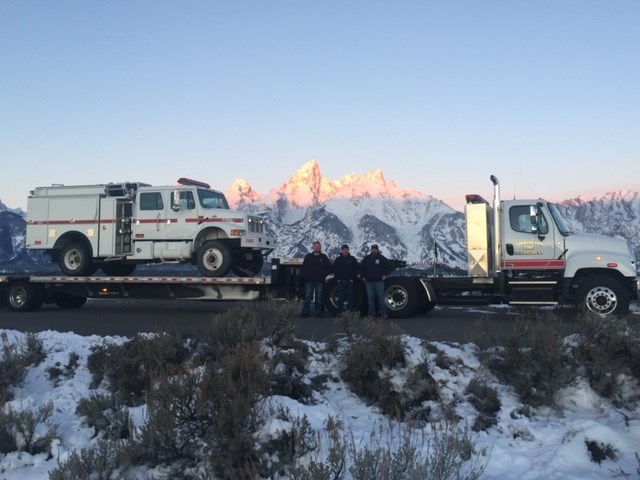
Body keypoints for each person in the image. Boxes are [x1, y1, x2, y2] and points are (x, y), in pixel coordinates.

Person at [301, 241, 331, 317]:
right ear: (313, 247)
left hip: (320, 281)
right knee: (308, 297)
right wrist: (306, 276)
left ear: (320, 248)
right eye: (316, 246)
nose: (317, 247)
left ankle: (318, 313)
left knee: (319, 298)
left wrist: (323, 276)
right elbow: (304, 268)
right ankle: (305, 312)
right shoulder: (308, 257)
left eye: (319, 246)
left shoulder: (324, 257)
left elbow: (328, 268)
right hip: (309, 281)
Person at [361, 244, 390, 319]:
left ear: (377, 250)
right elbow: (362, 268)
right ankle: (371, 315)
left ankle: (384, 314)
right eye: (373, 249)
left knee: (381, 299)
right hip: (369, 282)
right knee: (370, 300)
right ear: (371, 250)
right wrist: (363, 276)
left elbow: (389, 266)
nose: (374, 250)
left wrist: (386, 275)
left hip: (379, 282)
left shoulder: (382, 258)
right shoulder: (367, 259)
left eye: (375, 249)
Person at [332, 243, 359, 314]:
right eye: (344, 249)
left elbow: (356, 269)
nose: (345, 251)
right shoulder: (338, 259)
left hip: (349, 281)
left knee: (351, 297)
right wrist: (337, 279)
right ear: (341, 250)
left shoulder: (352, 259)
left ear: (348, 250)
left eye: (346, 249)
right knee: (340, 297)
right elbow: (335, 270)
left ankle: (350, 313)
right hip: (341, 281)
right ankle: (339, 313)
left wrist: (353, 279)